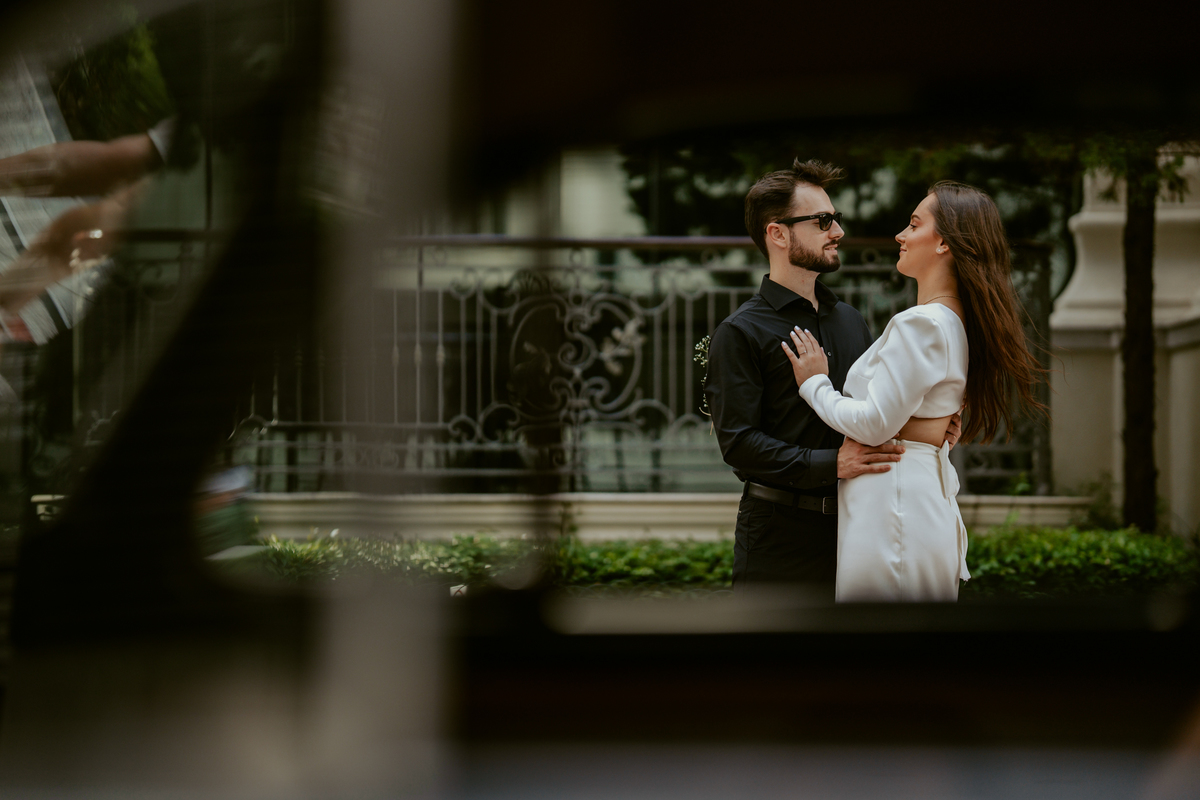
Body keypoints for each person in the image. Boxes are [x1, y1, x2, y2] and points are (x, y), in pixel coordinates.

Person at [705, 159, 960, 594]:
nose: (838, 231)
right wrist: (832, 464)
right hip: (779, 536)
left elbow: (867, 410)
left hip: (860, 530)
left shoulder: (851, 323)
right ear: (778, 233)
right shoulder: (740, 331)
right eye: (823, 221)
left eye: (836, 219)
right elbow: (739, 444)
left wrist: (930, 425)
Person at [784, 181, 1044, 602]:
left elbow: (873, 424)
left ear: (944, 243)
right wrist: (930, 428)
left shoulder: (922, 323)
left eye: (913, 224)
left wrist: (814, 384)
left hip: (894, 504)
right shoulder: (955, 322)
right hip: (910, 496)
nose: (900, 236)